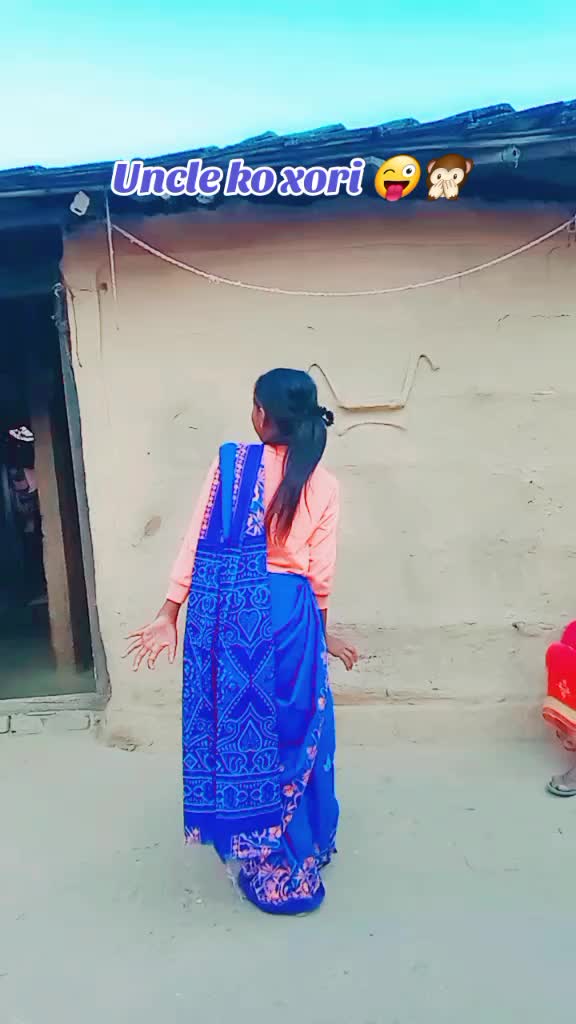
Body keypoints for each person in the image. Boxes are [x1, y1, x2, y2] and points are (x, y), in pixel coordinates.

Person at [126, 368, 358, 914]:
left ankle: (263, 854)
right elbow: (320, 573)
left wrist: (169, 612)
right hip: (293, 614)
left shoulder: (233, 466)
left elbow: (195, 541)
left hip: (235, 616)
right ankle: (307, 843)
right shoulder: (325, 482)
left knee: (243, 732)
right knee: (296, 728)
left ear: (261, 414)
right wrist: (322, 632)